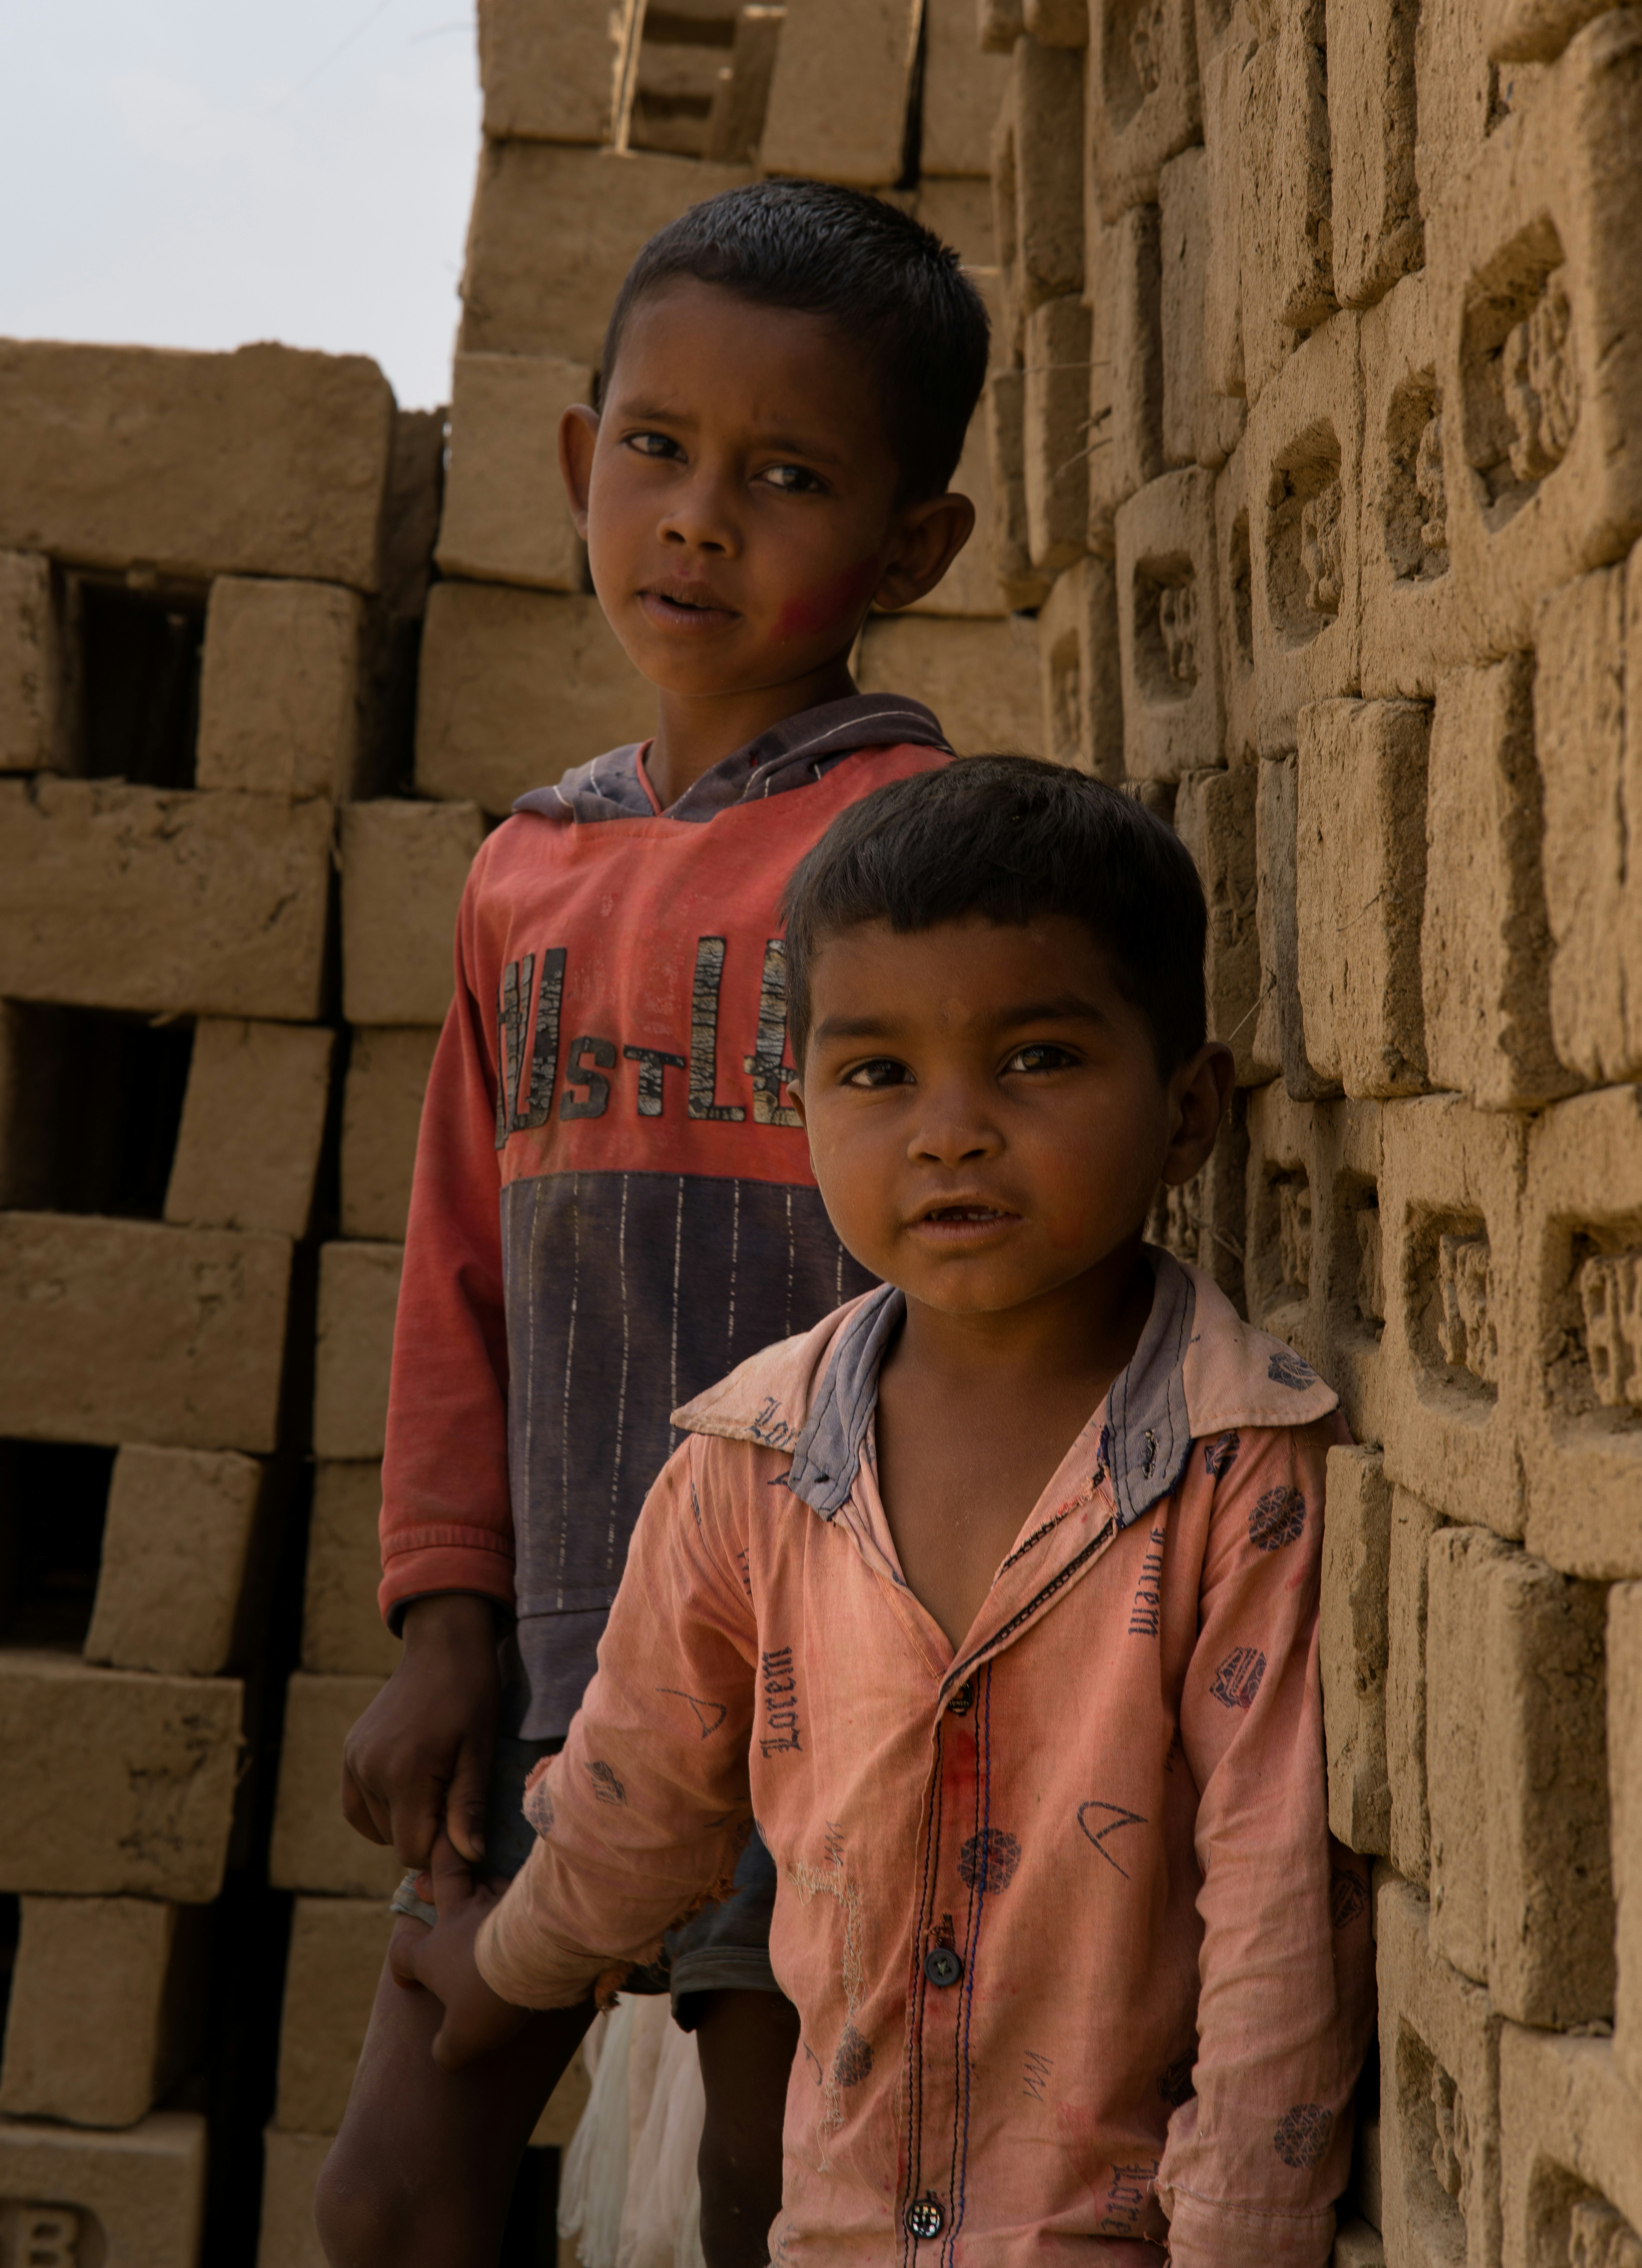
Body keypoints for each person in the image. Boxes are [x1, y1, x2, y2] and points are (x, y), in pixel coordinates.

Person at [392, 756, 1378, 2267]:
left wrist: (1241, 2239)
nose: (949, 1131)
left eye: (1037, 1060)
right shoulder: (748, 1468)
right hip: (840, 2228)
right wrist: (508, 1963)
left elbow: (1274, 1923)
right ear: (800, 1110)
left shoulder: (1237, 1479)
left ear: (1188, 1113)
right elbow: (637, 1800)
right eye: (876, 1074)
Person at [313, 181, 990, 2268]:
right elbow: (459, 1275)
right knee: (393, 2188)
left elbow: (963, 1287)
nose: (699, 518)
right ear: (573, 460)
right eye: (658, 451)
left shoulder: (907, 848)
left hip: (811, 1667)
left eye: (786, 477)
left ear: (914, 549)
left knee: (757, 2183)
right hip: (543, 1667)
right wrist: (442, 1619)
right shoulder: (526, 868)